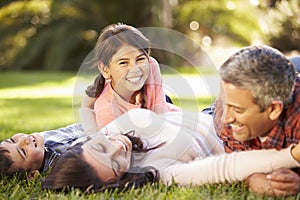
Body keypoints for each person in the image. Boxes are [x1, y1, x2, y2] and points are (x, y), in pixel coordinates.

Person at [42, 108, 300, 192]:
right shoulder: (160, 171)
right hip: (243, 130)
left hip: (215, 108)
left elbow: (55, 139)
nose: (117, 148)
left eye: (101, 147)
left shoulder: (108, 132)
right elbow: (225, 167)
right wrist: (290, 156)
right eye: (117, 163)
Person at [213, 45, 300, 196]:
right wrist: (251, 178)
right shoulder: (224, 116)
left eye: (238, 109)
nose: (226, 118)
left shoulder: (296, 120)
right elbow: (237, 162)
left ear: (273, 109)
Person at [81, 23, 180, 130]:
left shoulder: (151, 64)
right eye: (123, 62)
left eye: (140, 59)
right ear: (105, 69)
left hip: (157, 102)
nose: (135, 69)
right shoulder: (107, 111)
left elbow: (161, 117)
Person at [0, 123, 86, 179]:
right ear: (33, 175)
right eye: (23, 152)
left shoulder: (39, 141)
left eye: (12, 140)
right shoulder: (64, 164)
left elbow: (72, 129)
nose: (23, 139)